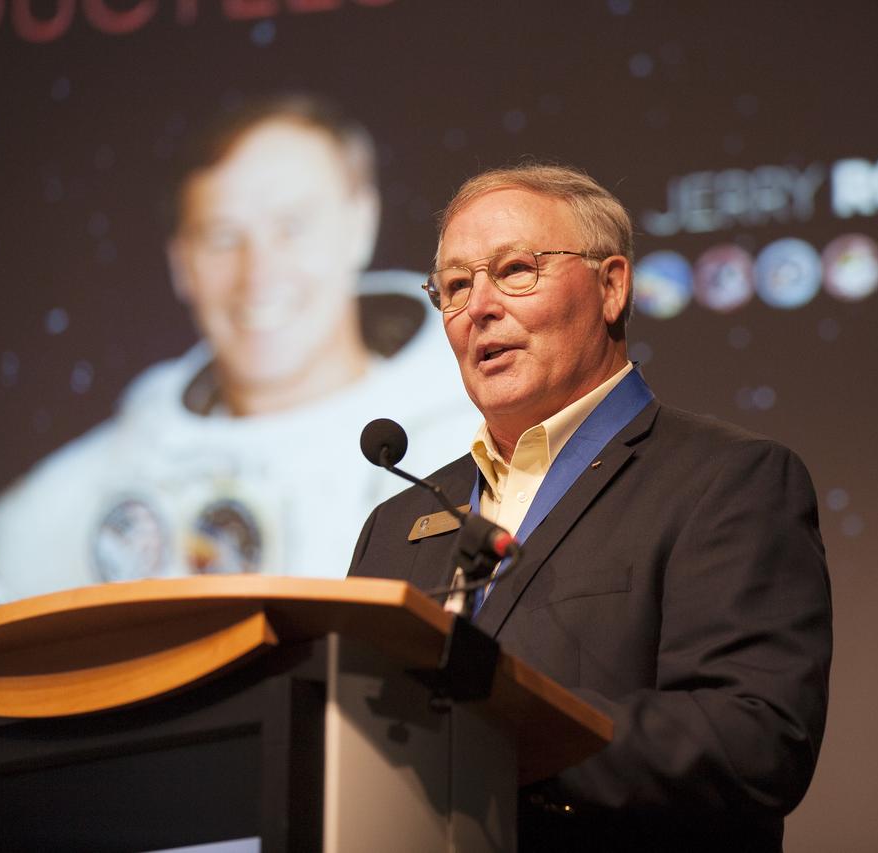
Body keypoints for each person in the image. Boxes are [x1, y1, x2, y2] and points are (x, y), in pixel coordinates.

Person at [0, 94, 477, 675]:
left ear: (360, 223)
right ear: (180, 263)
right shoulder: (120, 473)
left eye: (292, 226)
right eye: (222, 237)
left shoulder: (472, 433)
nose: (259, 272)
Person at [348, 163, 833, 851]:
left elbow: (754, 740)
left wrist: (510, 721)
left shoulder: (728, 482)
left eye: (515, 269)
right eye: (455, 285)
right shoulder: (397, 525)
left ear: (611, 287)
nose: (478, 306)